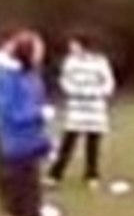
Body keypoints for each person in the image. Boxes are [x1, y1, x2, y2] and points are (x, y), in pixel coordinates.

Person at [0, 30, 65, 216]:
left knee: (18, 190)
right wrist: (39, 114)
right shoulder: (7, 78)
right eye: (37, 49)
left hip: (27, 140)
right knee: (26, 191)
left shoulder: (29, 75)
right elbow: (10, 112)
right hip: (15, 142)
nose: (41, 54)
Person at [46, 31, 116, 190]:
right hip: (76, 109)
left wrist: (97, 92)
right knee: (68, 143)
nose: (71, 48)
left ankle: (92, 175)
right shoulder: (70, 62)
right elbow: (64, 81)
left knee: (93, 143)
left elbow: (108, 83)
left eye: (74, 44)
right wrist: (74, 91)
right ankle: (55, 175)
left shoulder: (99, 62)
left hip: (95, 109)